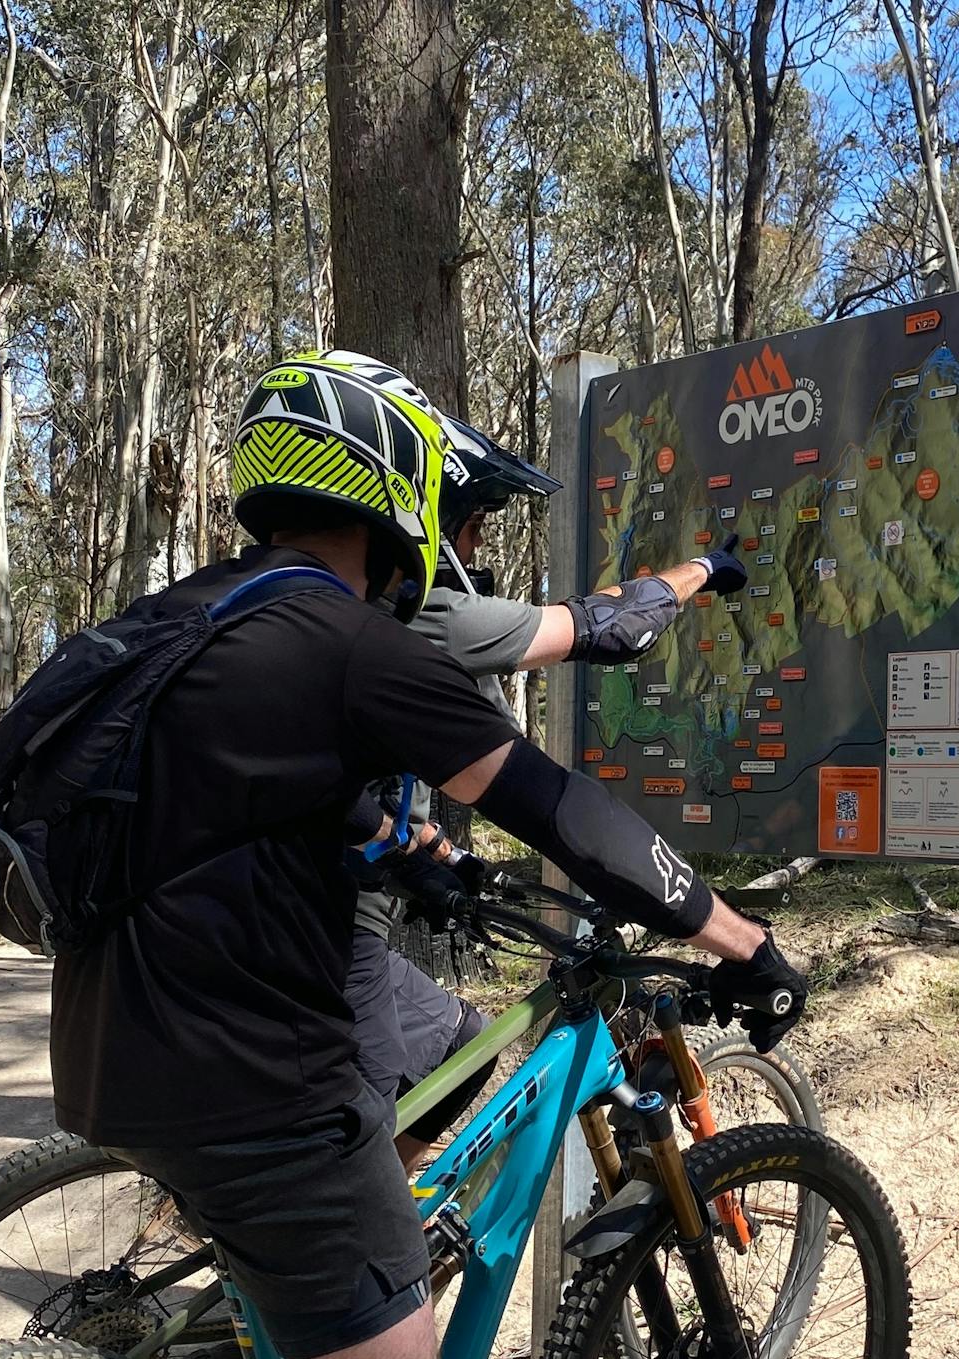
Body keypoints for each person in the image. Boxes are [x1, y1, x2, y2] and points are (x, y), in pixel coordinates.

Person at [48, 351, 806, 1359]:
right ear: (396, 488)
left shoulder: (179, 619)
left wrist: (418, 860)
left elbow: (251, 790)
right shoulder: (357, 643)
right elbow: (569, 816)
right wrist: (735, 935)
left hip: (103, 1048)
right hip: (259, 1083)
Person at [307, 351, 747, 1163]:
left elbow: (344, 784)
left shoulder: (335, 619)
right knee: (373, 1236)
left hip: (303, 922)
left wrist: (425, 850)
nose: (479, 545)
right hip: (333, 944)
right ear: (419, 515)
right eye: (472, 521)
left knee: (458, 1046)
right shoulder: (430, 617)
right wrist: (703, 569)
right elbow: (610, 629)